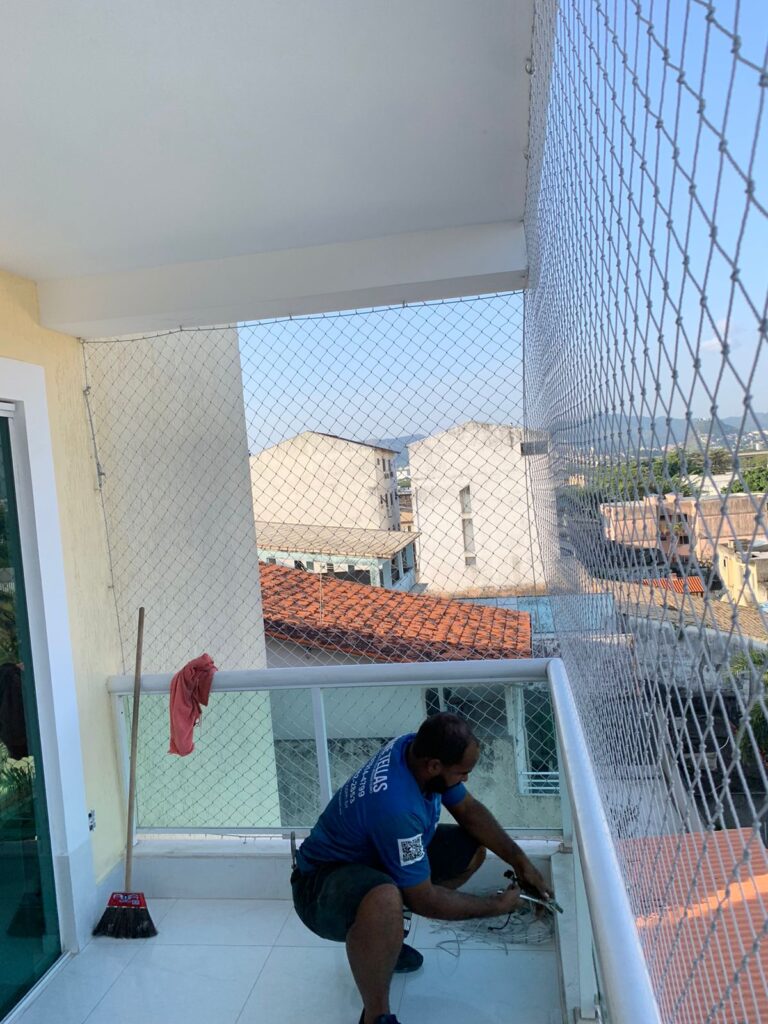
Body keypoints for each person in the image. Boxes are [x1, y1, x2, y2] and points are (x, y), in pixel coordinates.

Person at [291, 712, 553, 1024]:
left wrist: (521, 862)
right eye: (462, 773)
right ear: (434, 766)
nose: (466, 780)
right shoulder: (396, 807)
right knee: (385, 898)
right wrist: (496, 906)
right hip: (318, 885)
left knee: (470, 851)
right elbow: (425, 899)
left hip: (371, 855)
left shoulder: (413, 748)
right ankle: (376, 1015)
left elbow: (468, 810)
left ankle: (387, 940)